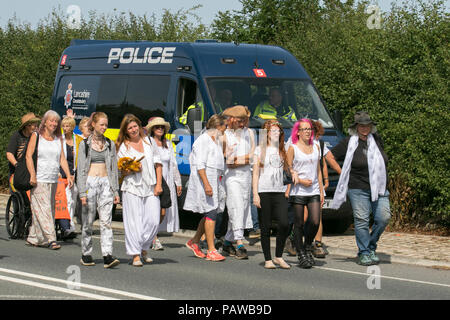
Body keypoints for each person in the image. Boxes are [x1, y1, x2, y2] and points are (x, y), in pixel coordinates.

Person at [328, 111, 390, 266]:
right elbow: (329, 155)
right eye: (361, 125)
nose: (364, 128)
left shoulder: (376, 140)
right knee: (361, 220)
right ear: (356, 127)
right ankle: (364, 252)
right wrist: (342, 172)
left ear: (371, 126)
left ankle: (370, 246)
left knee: (383, 218)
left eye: (367, 125)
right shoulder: (349, 142)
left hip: (380, 187)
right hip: (357, 187)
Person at [116, 114, 163, 267]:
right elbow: (122, 171)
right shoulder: (124, 146)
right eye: (130, 128)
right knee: (133, 222)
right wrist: (131, 169)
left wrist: (159, 184)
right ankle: (135, 254)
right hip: (132, 187)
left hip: (150, 186)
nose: (133, 129)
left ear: (139, 125)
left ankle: (143, 247)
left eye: (135, 126)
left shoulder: (149, 141)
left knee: (154, 220)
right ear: (126, 131)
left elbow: (158, 163)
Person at [77, 112, 120, 268]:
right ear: (93, 124)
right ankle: (86, 253)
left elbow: (114, 169)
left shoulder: (110, 144)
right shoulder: (85, 144)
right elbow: (81, 169)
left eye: (106, 124)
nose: (104, 127)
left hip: (106, 184)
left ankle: (107, 254)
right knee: (88, 221)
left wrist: (115, 191)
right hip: (90, 184)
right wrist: (82, 192)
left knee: (106, 221)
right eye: (101, 124)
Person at [25, 110, 74, 249]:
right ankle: (51, 239)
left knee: (48, 209)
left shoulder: (59, 139)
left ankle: (34, 237)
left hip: (53, 178)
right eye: (50, 120)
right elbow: (29, 156)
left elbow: (62, 159)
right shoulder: (36, 136)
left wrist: (68, 175)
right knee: (44, 209)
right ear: (45, 122)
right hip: (39, 178)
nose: (53, 123)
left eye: (55, 121)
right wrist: (32, 175)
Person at [184, 114, 227, 262]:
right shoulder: (203, 140)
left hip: (215, 180)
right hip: (206, 181)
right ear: (218, 126)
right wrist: (207, 184)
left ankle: (194, 241)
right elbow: (200, 165)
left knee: (211, 212)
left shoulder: (215, 141)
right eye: (224, 126)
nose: (226, 129)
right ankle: (211, 249)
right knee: (211, 213)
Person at [252, 120, 290, 269]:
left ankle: (279, 256)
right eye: (273, 131)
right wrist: (255, 194)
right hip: (264, 191)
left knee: (284, 223)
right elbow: (255, 174)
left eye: (278, 131)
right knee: (266, 226)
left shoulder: (283, 149)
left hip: (279, 191)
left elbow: (287, 170)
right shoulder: (259, 150)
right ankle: (268, 259)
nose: (276, 133)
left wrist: (288, 188)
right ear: (266, 133)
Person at [287, 118, 324, 268]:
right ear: (298, 132)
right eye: (304, 129)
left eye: (309, 129)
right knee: (299, 223)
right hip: (298, 190)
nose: (308, 131)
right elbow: (288, 169)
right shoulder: (293, 148)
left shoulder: (316, 146)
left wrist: (321, 190)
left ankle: (307, 245)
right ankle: (301, 253)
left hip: (313, 189)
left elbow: (318, 170)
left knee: (315, 221)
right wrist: (299, 180)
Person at [222, 105, 255, 260]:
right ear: (232, 120)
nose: (242, 123)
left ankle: (227, 242)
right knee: (236, 206)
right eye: (240, 120)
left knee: (242, 207)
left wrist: (239, 160)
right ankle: (240, 243)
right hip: (232, 177)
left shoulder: (250, 133)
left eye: (244, 120)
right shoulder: (225, 135)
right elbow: (229, 162)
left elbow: (254, 156)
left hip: (246, 176)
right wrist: (245, 159)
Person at [146, 117, 182, 250]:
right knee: (155, 210)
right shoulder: (149, 143)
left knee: (163, 211)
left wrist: (178, 182)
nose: (160, 129)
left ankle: (151, 235)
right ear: (152, 129)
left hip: (167, 180)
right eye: (157, 127)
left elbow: (173, 164)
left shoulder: (167, 143)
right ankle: (153, 238)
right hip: (155, 180)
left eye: (162, 127)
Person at [57, 116, 79, 239]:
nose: (65, 128)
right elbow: (58, 158)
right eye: (63, 126)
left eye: (67, 126)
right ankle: (69, 226)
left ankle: (70, 223)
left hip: (72, 173)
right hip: (62, 173)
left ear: (72, 127)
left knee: (74, 195)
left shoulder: (77, 140)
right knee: (68, 199)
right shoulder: (60, 140)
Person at [7, 112, 41, 182]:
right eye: (34, 125)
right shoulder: (17, 136)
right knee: (17, 192)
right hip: (16, 173)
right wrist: (17, 166)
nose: (36, 127)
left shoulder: (37, 137)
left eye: (36, 125)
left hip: (31, 173)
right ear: (27, 126)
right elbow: (9, 154)